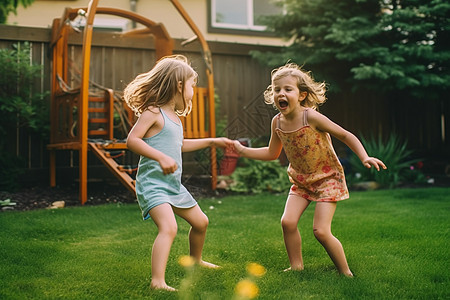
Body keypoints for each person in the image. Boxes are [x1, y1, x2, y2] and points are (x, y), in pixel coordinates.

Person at [233, 62, 386, 277]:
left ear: (302, 95)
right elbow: (271, 153)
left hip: (327, 179)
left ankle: (346, 273)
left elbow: (344, 135)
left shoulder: (311, 117)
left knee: (321, 231)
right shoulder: (277, 122)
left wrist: (364, 156)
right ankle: (297, 266)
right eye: (276, 90)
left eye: (288, 89)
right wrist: (242, 150)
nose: (280, 94)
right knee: (287, 222)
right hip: (302, 180)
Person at [124, 55, 233, 291]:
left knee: (201, 222)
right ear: (179, 85)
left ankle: (196, 260)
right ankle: (157, 282)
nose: (194, 89)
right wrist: (160, 156)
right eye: (193, 84)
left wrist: (212, 141)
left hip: (173, 185)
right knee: (169, 227)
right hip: (153, 184)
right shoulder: (153, 112)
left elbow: (179, 145)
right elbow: (133, 140)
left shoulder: (174, 117)